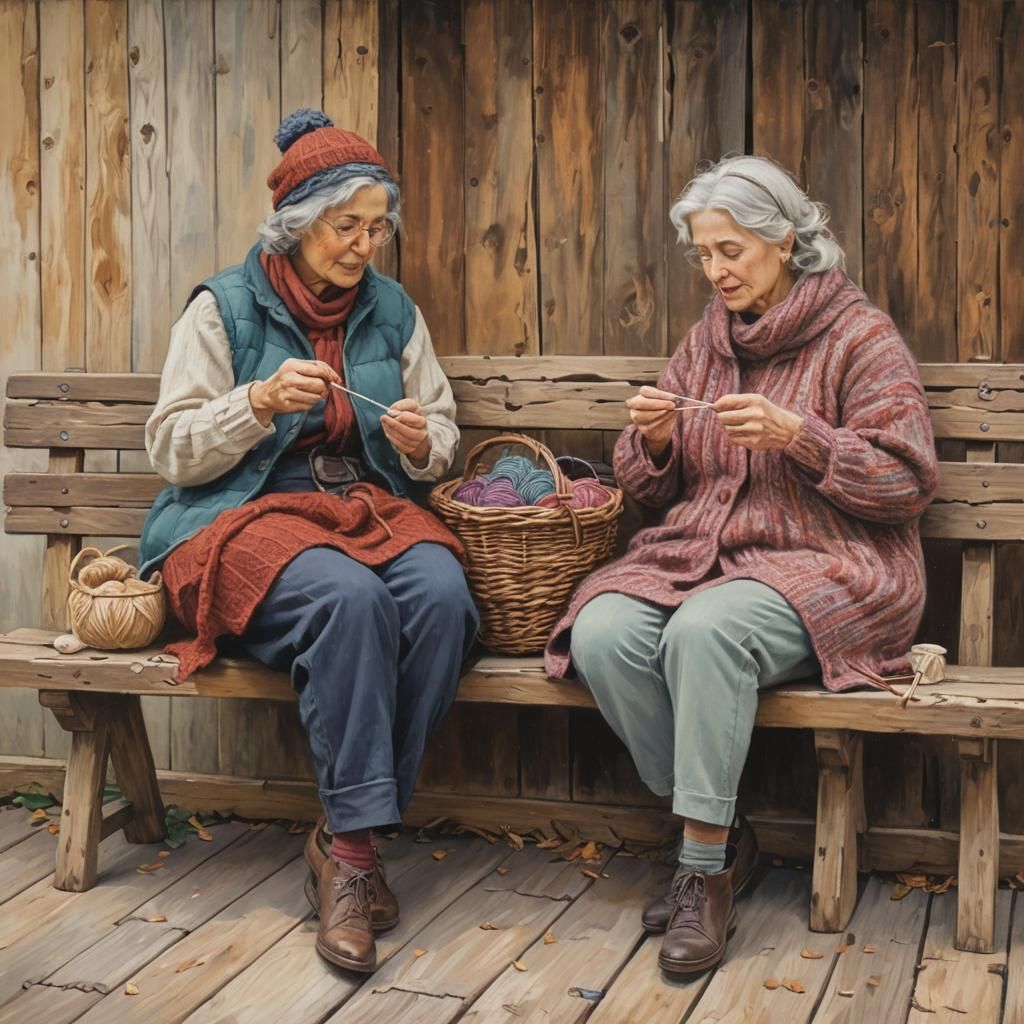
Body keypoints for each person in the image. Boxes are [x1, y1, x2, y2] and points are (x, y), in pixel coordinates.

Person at [544, 155, 939, 976]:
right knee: (606, 629)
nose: (716, 270)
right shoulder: (707, 341)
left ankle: (699, 870)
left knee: (704, 633)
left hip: (833, 566)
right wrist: (652, 440)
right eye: (705, 253)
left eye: (732, 250)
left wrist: (803, 438)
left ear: (785, 240)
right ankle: (723, 836)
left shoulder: (861, 337)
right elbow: (649, 484)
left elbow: (906, 480)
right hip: (698, 557)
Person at [138, 109, 479, 974]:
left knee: (440, 597)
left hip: (362, 508)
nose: (364, 245)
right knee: (349, 599)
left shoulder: (394, 311)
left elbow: (442, 434)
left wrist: (418, 443)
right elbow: (170, 447)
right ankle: (359, 867)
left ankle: (338, 833)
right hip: (239, 515)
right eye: (345, 226)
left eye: (376, 227)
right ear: (295, 227)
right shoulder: (222, 307)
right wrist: (255, 404)